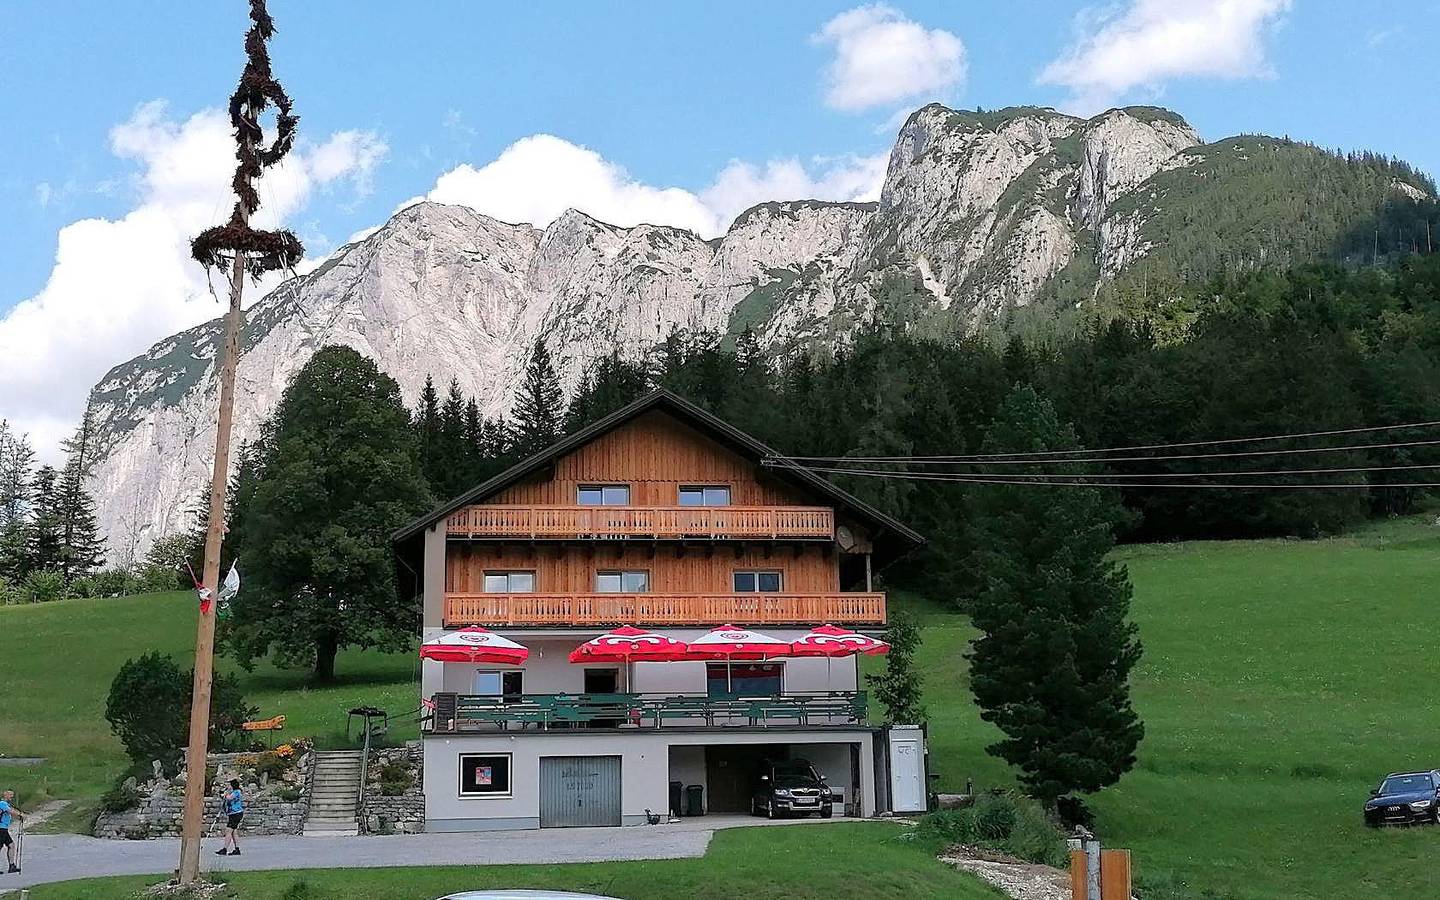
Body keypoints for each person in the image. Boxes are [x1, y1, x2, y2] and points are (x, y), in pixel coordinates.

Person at [217, 779, 243, 856]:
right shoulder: (232, 792)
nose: (228, 787)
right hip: (232, 814)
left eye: (229, 785)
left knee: (228, 831)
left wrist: (225, 794)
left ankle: (224, 849)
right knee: (234, 832)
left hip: (236, 814)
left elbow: (229, 798)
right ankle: (237, 849)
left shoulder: (237, 792)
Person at [0, 789, 23, 874]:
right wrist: (20, 815)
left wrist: (19, 816)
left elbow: (12, 812)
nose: (11, 797)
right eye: (10, 795)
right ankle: (11, 865)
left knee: (11, 845)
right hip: (1, 828)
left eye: (12, 795)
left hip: (4, 828)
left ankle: (11, 865)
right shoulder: (2, 803)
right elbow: (10, 811)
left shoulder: (7, 804)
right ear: (5, 795)